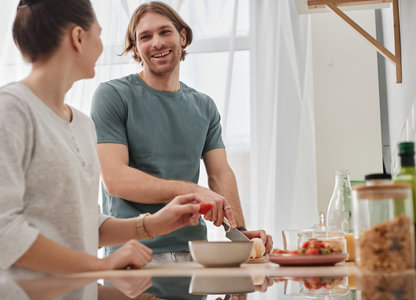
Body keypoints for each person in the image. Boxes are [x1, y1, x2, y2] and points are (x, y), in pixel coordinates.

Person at [0, 0, 204, 279]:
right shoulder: (10, 110)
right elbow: (5, 232)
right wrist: (101, 267)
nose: (101, 45)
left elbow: (86, 229)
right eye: (99, 33)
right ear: (78, 37)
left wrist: (153, 224)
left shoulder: (82, 125)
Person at [91, 1, 273, 262]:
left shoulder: (204, 105)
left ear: (182, 36)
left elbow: (220, 173)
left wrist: (240, 232)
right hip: (132, 255)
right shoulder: (113, 96)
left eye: (165, 32)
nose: (156, 43)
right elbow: (116, 179)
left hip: (194, 255)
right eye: (145, 36)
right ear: (135, 47)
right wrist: (194, 192)